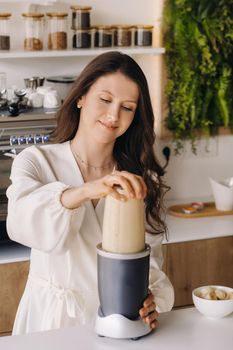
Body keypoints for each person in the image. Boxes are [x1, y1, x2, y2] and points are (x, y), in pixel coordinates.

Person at [7, 51, 174, 335]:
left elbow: (150, 261)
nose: (113, 115)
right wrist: (84, 191)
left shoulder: (139, 180)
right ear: (81, 97)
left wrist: (151, 299)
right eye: (105, 100)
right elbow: (21, 224)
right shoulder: (36, 160)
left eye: (128, 107)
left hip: (114, 318)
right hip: (49, 320)